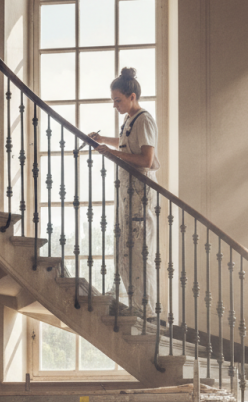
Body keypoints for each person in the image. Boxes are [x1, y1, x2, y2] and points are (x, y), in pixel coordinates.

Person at [89, 67, 161, 319]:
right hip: (127, 196)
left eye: (117, 100)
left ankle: (147, 311)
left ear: (132, 96)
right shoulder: (129, 120)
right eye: (113, 101)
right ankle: (134, 303)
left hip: (140, 196)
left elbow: (146, 159)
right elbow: (123, 144)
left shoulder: (144, 119)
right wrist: (103, 141)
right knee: (126, 248)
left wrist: (113, 154)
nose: (115, 105)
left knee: (140, 251)